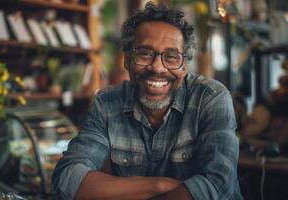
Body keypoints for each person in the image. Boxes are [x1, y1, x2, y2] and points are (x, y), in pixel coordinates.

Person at [51, 2, 242, 200]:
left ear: (184, 65)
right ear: (127, 60)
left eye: (171, 56)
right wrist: (160, 185)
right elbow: (67, 178)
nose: (157, 67)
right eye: (144, 53)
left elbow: (217, 186)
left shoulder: (210, 97)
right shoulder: (107, 103)